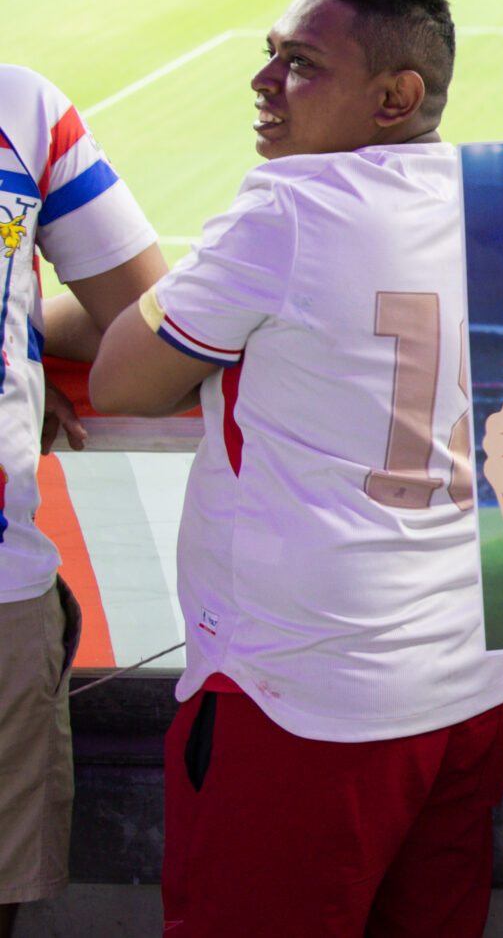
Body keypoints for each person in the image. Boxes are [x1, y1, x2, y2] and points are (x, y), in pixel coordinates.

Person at [88, 0, 503, 938]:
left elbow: (121, 377)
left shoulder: (287, 210)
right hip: (466, 695)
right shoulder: (491, 195)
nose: (263, 81)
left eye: (300, 61)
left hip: (304, 705)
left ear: (394, 96)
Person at [0, 65, 165, 938]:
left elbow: (140, 319)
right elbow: (142, 316)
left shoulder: (25, 107)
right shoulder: (19, 107)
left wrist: (22, 348)